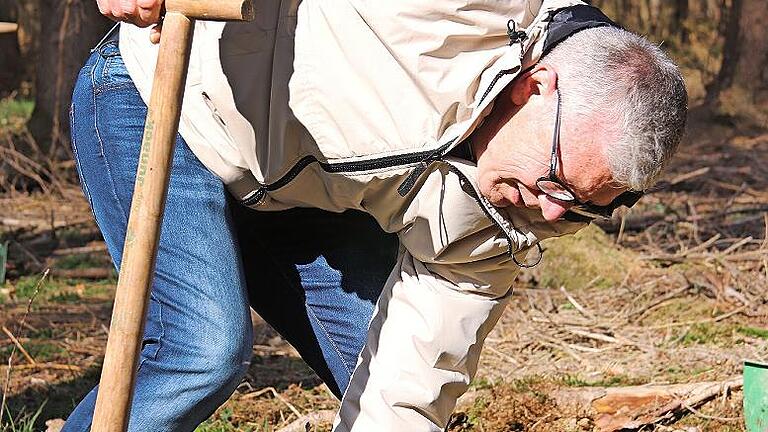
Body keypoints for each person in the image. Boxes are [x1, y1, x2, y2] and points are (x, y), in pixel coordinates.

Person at [66, 0, 687, 431]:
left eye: (584, 209)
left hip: (298, 196)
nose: (551, 212)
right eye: (557, 183)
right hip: (166, 99)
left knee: (374, 367)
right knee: (203, 349)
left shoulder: (509, 217)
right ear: (535, 86)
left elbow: (412, 388)